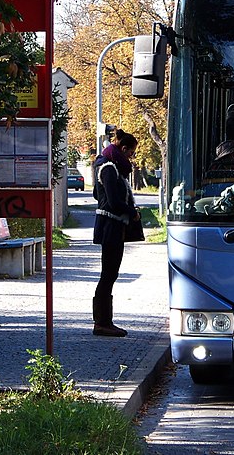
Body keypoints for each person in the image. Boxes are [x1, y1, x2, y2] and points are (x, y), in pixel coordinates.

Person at [91, 129, 140, 337]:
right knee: (108, 274)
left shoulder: (108, 166)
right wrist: (132, 212)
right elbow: (113, 201)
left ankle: (104, 321)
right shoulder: (109, 168)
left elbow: (96, 193)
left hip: (113, 226)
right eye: (131, 153)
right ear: (123, 148)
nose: (131, 158)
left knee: (110, 274)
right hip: (110, 226)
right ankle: (102, 322)